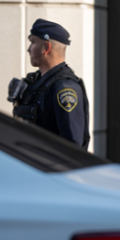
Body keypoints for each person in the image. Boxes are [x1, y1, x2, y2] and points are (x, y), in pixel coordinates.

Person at [12, 19, 89, 149]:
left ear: (46, 48)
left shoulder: (64, 88)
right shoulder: (36, 83)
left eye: (33, 42)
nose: (28, 49)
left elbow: (72, 147)